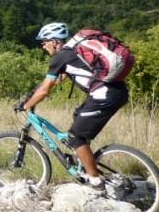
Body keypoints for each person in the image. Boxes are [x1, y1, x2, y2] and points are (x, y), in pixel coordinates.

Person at [17, 22, 129, 190]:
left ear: (54, 41)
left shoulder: (61, 56)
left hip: (104, 96)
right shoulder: (72, 53)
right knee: (78, 115)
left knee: (76, 137)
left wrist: (26, 105)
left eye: (44, 42)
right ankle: (84, 160)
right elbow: (56, 80)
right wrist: (35, 92)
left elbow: (45, 91)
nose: (43, 46)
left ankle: (96, 182)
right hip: (112, 92)